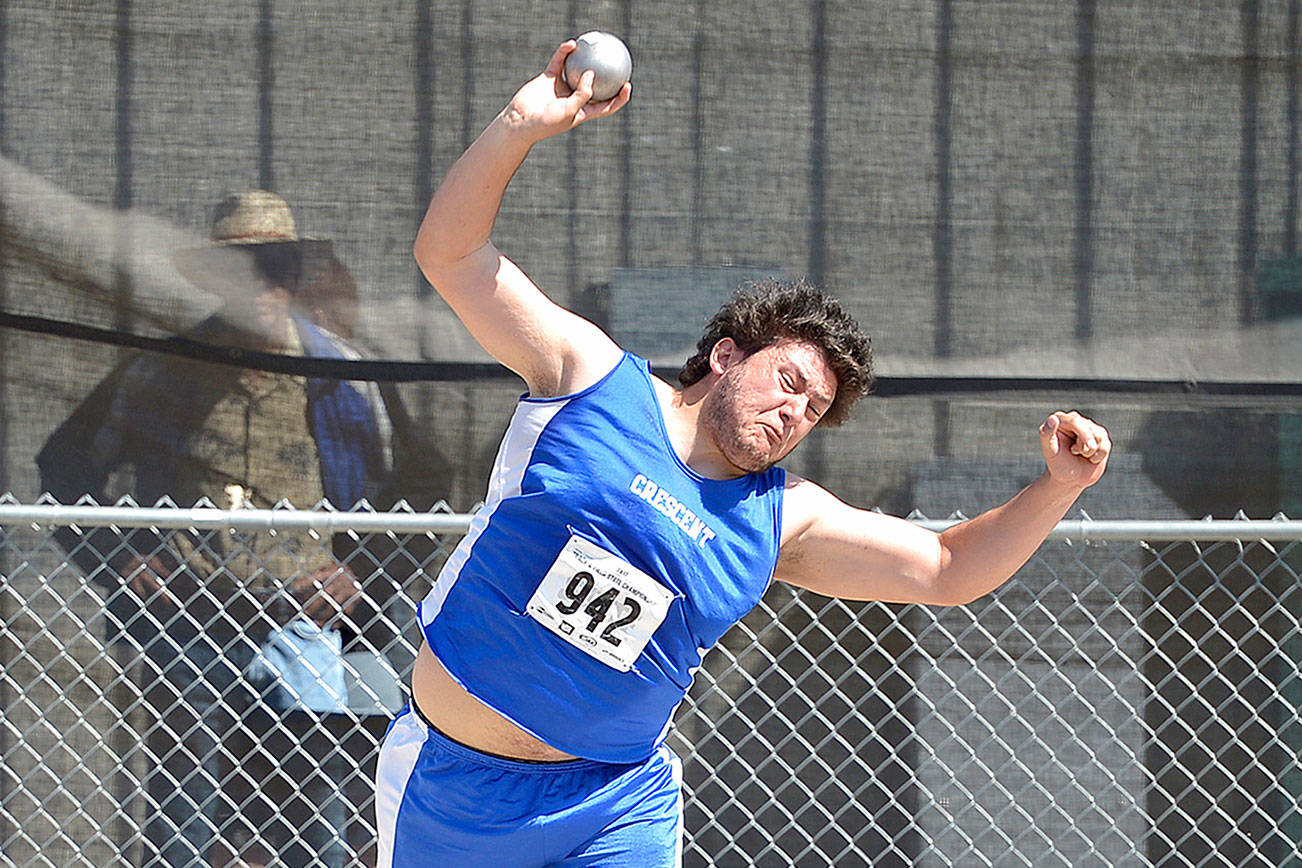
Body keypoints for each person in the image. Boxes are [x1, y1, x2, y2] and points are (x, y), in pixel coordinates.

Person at [375, 41, 1111, 868]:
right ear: (726, 355)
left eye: (816, 407)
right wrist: (519, 126)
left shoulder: (782, 515)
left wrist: (1058, 485)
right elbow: (452, 255)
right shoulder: (589, 380)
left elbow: (946, 569)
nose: (795, 409)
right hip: (456, 787)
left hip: (613, 807)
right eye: (788, 379)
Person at [38, 190, 446, 867]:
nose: (262, 286)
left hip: (310, 625)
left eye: (276, 268)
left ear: (293, 277)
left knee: (320, 798)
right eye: (244, 271)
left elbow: (425, 482)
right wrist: (123, 558)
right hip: (190, 619)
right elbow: (66, 463)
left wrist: (363, 574)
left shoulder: (343, 372)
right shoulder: (162, 368)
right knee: (185, 803)